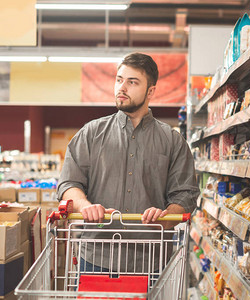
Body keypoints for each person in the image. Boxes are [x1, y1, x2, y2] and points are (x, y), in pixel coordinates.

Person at [57, 52, 199, 274]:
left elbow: (186, 194)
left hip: (150, 260)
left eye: (132, 82)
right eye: (119, 79)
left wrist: (167, 217)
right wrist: (86, 207)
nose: (122, 88)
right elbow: (69, 184)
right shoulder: (91, 134)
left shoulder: (172, 141)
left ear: (150, 91)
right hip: (97, 257)